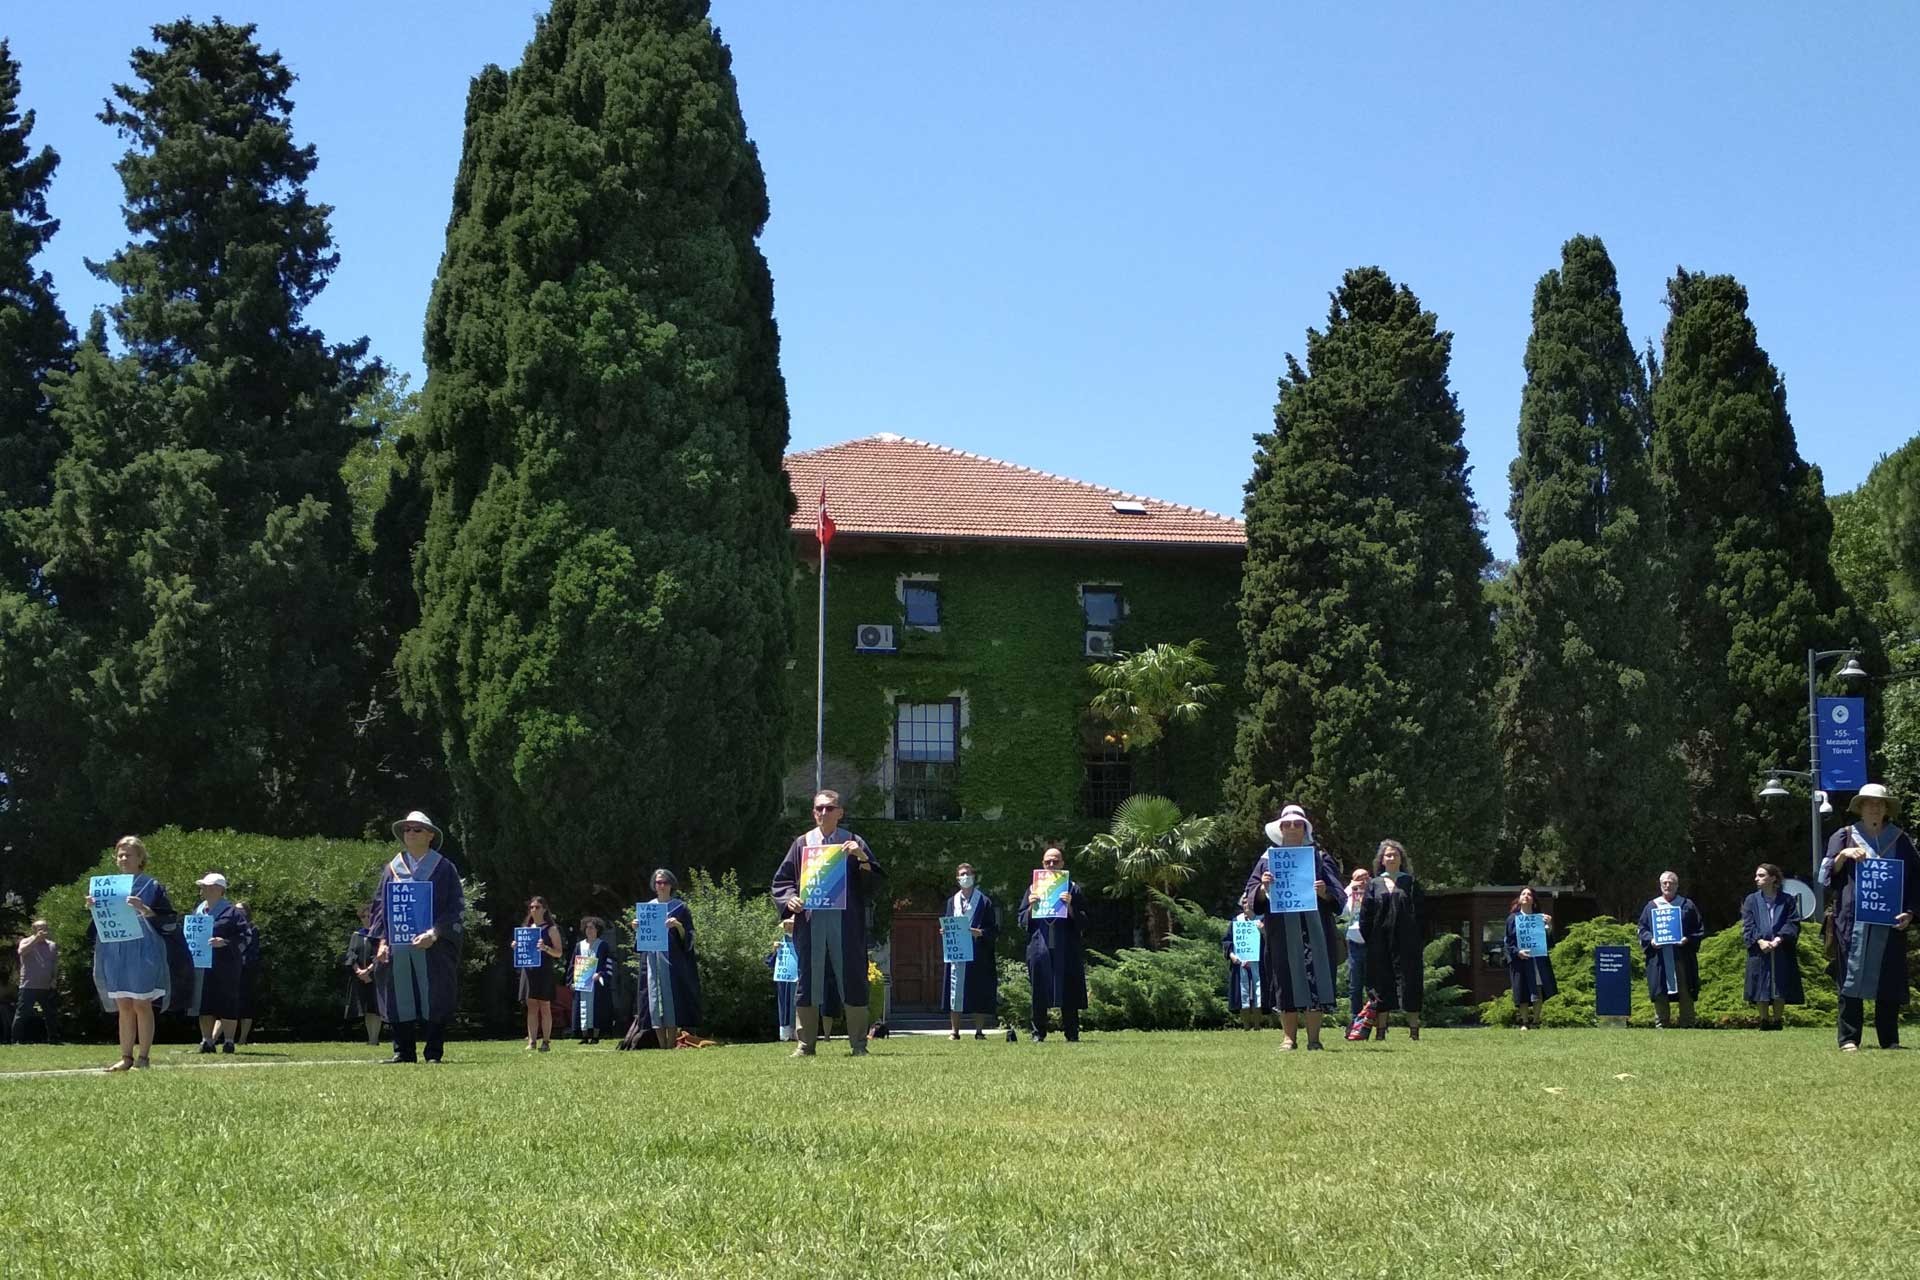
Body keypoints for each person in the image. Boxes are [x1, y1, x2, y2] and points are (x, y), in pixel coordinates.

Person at [772, 791, 884, 1057]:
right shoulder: (802, 844)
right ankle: (805, 1044)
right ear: (813, 813)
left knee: (853, 978)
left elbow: (875, 883)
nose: (823, 813)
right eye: (819, 809)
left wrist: (862, 859)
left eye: (829, 808)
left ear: (840, 812)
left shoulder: (853, 842)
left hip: (845, 923)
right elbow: (782, 881)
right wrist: (790, 900)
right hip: (810, 922)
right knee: (808, 979)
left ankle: (859, 1045)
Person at [1820, 783, 1919, 1051]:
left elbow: (1915, 882)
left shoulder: (1901, 840)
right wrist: (1844, 855)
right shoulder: (1844, 836)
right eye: (1869, 803)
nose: (1875, 807)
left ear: (1887, 808)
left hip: (1890, 921)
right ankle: (1849, 1038)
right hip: (1852, 921)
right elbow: (1824, 874)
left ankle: (1890, 1040)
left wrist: (1910, 912)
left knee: (1889, 978)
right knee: (1850, 978)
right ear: (1860, 807)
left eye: (1880, 803)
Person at [1241, 805, 1344, 1051]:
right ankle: (1288, 1038)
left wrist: (1324, 892)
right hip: (1281, 931)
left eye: (1298, 824)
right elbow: (1250, 897)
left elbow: (1338, 896)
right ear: (1280, 828)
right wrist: (1264, 890)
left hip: (1315, 930)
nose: (1292, 827)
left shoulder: (1319, 857)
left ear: (1305, 828)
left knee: (1315, 979)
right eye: (1287, 824)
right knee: (1284, 979)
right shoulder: (1268, 859)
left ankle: (1314, 1039)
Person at [371, 810, 465, 1064]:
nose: (410, 833)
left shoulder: (444, 868)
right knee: (399, 996)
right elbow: (380, 908)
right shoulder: (392, 869)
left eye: (416, 829)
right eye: (407, 829)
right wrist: (381, 941)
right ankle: (403, 1052)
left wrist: (435, 933)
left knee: (434, 994)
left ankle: (433, 1052)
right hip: (397, 946)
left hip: (431, 945)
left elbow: (455, 909)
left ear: (430, 835)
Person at [86, 835, 182, 1072]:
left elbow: (169, 920)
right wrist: (94, 907)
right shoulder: (108, 887)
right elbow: (99, 923)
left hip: (143, 949)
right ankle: (126, 1057)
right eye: (120, 854)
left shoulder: (152, 886)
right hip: (116, 948)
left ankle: (144, 1058)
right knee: (123, 1004)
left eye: (129, 854)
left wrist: (144, 909)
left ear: (140, 858)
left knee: (141, 1002)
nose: (123, 858)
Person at [1021, 842, 1089, 1042]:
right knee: (1038, 992)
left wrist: (1070, 908)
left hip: (1065, 948)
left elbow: (1085, 920)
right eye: (1048, 861)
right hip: (1040, 947)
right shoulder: (1033, 888)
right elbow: (1021, 919)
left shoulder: (1072, 888)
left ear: (1062, 864)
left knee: (1069, 989)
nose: (1051, 864)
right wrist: (1032, 907)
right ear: (1042, 864)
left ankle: (1072, 1033)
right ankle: (1038, 1033)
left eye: (1055, 861)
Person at [1359, 838, 1425, 1042]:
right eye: (1388, 855)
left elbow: (1423, 914)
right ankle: (1380, 1030)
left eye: (1395, 854)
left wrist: (1417, 939)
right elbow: (1365, 915)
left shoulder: (1411, 883)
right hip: (1379, 943)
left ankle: (1413, 1030)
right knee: (1380, 984)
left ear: (1401, 858)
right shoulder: (1374, 884)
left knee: (1410, 983)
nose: (1392, 858)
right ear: (1382, 860)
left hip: (1407, 943)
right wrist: (1371, 939)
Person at [635, 870, 701, 1050]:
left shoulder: (680, 908)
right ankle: (661, 1044)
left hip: (672, 963)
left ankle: (671, 1043)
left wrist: (678, 925)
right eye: (658, 883)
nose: (661, 886)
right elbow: (641, 941)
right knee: (654, 1000)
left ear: (671, 884)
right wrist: (637, 928)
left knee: (672, 1000)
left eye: (664, 882)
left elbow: (689, 938)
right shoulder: (648, 907)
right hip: (652, 960)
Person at [188, 873, 250, 1054]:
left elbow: (246, 936)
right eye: (203, 886)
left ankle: (229, 1041)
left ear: (219, 889)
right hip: (202, 964)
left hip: (226, 965)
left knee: (227, 1002)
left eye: (207, 886)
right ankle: (207, 1041)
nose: (203, 889)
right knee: (203, 1002)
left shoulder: (233, 913)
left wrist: (225, 942)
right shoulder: (198, 910)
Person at [1637, 870, 1705, 1028]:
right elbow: (1642, 928)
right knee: (1660, 989)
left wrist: (1687, 939)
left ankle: (1687, 1023)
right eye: (1664, 883)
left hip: (1681, 955)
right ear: (1660, 885)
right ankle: (1661, 1023)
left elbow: (1698, 928)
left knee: (1685, 988)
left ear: (1677, 885)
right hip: (1659, 956)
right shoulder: (1651, 906)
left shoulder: (1687, 905)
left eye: (1671, 882)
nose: (1668, 885)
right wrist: (1651, 940)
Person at [1741, 863, 1802, 1031]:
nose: (1757, 879)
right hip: (1759, 950)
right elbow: (1748, 924)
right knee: (1760, 983)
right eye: (1756, 875)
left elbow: (1793, 922)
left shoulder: (1787, 900)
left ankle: (1777, 1020)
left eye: (1761, 875)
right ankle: (1764, 1020)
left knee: (1780, 983)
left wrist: (1779, 939)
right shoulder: (1751, 900)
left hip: (1781, 949)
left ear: (1773, 878)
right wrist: (1759, 941)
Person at [941, 862, 999, 1040]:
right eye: (962, 874)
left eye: (968, 874)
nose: (965, 877)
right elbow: (949, 922)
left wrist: (979, 933)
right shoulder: (952, 901)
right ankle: (954, 1031)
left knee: (978, 990)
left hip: (978, 953)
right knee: (955, 990)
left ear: (973, 877)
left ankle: (979, 1031)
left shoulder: (984, 901)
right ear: (958, 879)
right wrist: (945, 931)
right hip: (957, 954)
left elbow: (994, 930)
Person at [1504, 887, 1557, 1031]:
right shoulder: (1512, 919)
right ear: (1519, 899)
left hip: (1537, 960)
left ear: (1533, 900)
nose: (1526, 896)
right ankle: (1524, 1022)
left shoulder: (1540, 918)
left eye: (1529, 894)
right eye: (1523, 894)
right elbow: (1507, 942)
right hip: (1520, 960)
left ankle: (1536, 1020)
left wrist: (1549, 926)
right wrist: (1517, 952)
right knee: (1522, 989)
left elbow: (1549, 943)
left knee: (1539, 988)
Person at [518, 896, 565, 1052]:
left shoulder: (551, 929)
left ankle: (546, 1041)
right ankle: (532, 1041)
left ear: (544, 909)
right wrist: (516, 946)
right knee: (531, 1006)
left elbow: (558, 953)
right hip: (529, 971)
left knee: (544, 1006)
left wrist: (545, 948)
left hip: (544, 970)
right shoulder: (527, 929)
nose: (534, 910)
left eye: (537, 907)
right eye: (531, 907)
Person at [12, 919, 60, 1045]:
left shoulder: (52, 945)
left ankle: (53, 1039)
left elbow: (54, 963)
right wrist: (35, 940)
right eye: (40, 928)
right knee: (22, 1014)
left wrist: (54, 978)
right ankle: (16, 1039)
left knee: (50, 1014)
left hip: (46, 986)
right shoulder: (25, 941)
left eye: (45, 928)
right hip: (28, 985)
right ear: (33, 929)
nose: (43, 931)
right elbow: (21, 952)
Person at [573, 916, 616, 1045]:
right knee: (583, 1007)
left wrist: (601, 974)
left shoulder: (603, 945)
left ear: (597, 930)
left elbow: (608, 963)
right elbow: (573, 964)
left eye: (592, 928)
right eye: (587, 928)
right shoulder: (579, 945)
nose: (589, 930)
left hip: (597, 983)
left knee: (597, 1009)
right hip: (583, 983)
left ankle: (596, 1036)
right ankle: (585, 1035)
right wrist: (571, 981)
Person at [344, 901, 383, 1047]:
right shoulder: (356, 935)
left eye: (369, 916)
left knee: (376, 1009)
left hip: (376, 977)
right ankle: (370, 1038)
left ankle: (375, 1038)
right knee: (366, 1009)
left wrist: (369, 971)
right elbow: (351, 953)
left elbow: (380, 956)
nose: (367, 919)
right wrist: (358, 971)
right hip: (360, 977)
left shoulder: (380, 935)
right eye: (364, 916)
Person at [1225, 901, 1267, 1030]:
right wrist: (1231, 955)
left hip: (1259, 963)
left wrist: (1263, 930)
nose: (1246, 905)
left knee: (1259, 992)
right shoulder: (1236, 921)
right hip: (1240, 963)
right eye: (1244, 902)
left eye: (1249, 902)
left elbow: (1273, 940)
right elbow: (1228, 941)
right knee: (1243, 992)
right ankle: (1246, 1026)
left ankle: (1257, 1025)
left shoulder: (1262, 919)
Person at [1340, 868, 1371, 1026]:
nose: (1363, 881)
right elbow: (1343, 913)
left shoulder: (1373, 891)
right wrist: (1351, 889)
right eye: (1359, 878)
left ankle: (1376, 1022)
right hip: (1354, 941)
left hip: (1371, 942)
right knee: (1355, 985)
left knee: (1373, 985)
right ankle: (1355, 1021)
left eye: (1366, 877)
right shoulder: (1350, 893)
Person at [232, 899, 261, 1045]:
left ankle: (242, 1039)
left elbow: (253, 952)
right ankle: (213, 1038)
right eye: (236, 910)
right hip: (232, 970)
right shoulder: (232, 928)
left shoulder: (253, 929)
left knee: (246, 1005)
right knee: (228, 1004)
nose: (238, 913)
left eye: (241, 910)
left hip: (247, 971)